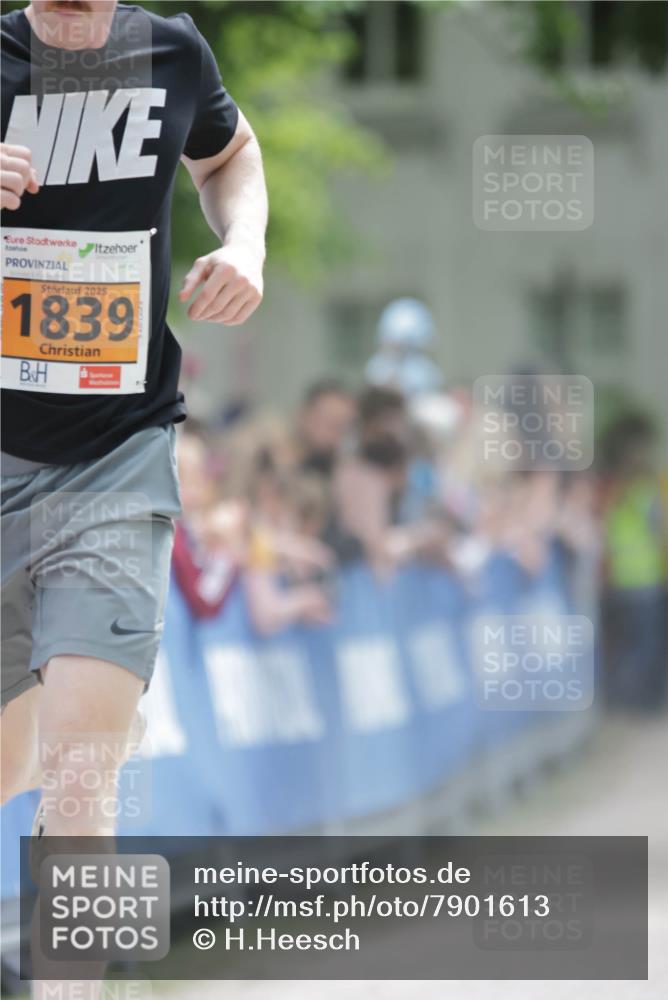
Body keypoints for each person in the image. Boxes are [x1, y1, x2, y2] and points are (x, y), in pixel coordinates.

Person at [1, 0, 267, 991]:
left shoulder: (173, 49)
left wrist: (243, 246)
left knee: (82, 768)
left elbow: (230, 156)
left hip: (117, 453)